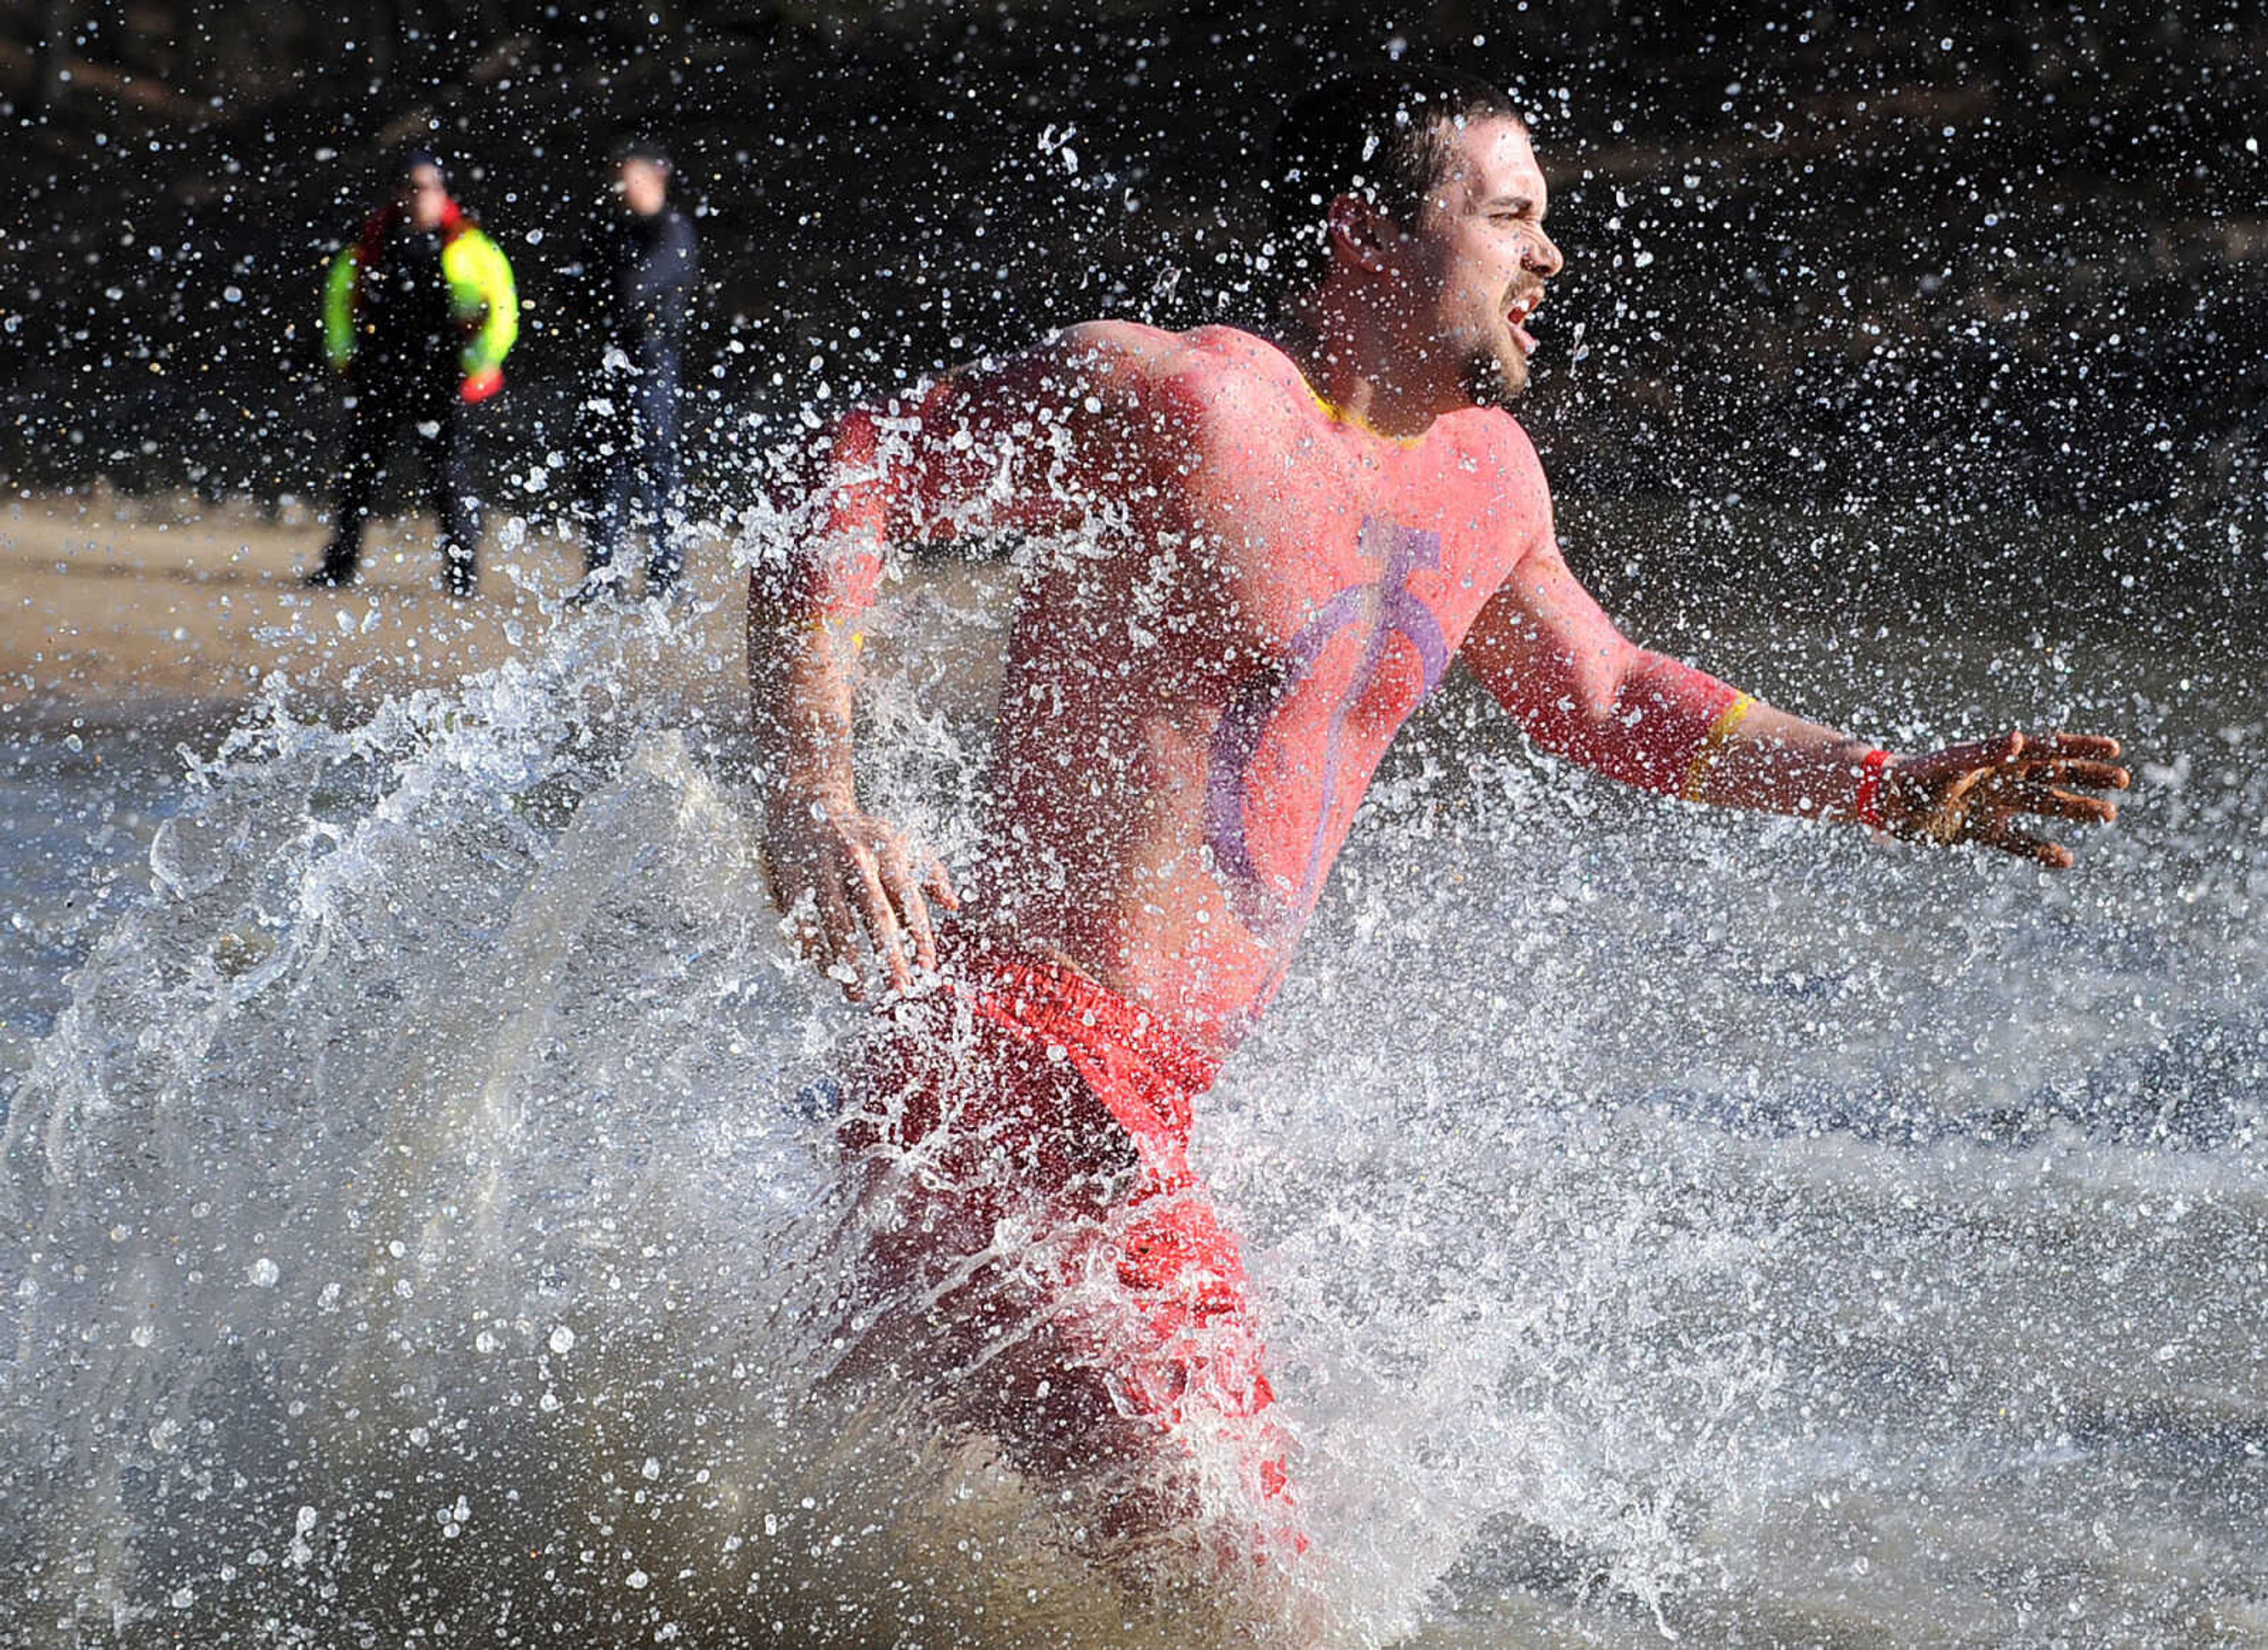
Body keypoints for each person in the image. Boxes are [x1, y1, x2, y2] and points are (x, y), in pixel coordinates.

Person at [745, 67, 2128, 1574]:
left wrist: (1876, 783)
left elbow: (1600, 695)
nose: (1549, 258)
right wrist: (817, 794)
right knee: (1241, 1579)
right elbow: (860, 459)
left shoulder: (1486, 482)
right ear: (1363, 236)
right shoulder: (1191, 404)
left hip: (1148, 1100)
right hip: (1013, 1068)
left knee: (853, 1557)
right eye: (1510, 216)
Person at [310, 149, 518, 597]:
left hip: (443, 373)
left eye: (428, 188)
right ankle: (339, 564)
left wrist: (478, 362)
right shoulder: (371, 243)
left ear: (442, 193)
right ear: (397, 193)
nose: (419, 197)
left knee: (449, 475)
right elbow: (339, 302)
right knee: (358, 473)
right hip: (379, 370)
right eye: (411, 187)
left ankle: (462, 573)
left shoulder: (469, 244)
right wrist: (344, 355)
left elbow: (502, 309)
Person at [568, 138, 699, 601]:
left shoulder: (672, 231)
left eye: (630, 176)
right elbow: (573, 290)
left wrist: (604, 290)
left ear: (657, 175)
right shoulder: (607, 228)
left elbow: (633, 287)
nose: (621, 187)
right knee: (602, 471)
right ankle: (602, 578)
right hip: (606, 363)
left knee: (657, 472)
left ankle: (667, 581)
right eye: (617, 177)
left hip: (653, 367)